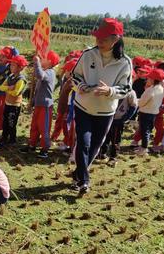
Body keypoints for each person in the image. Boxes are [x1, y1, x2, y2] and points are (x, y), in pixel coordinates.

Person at [71, 18, 132, 194]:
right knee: (84, 142)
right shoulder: (88, 54)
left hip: (105, 111)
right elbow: (75, 76)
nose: (99, 41)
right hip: (83, 106)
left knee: (95, 145)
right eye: (98, 37)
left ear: (116, 39)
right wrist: (80, 86)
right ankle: (84, 180)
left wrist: (110, 91)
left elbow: (127, 88)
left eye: (104, 39)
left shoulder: (125, 62)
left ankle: (78, 174)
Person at [20, 50, 60, 159]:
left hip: (46, 106)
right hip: (38, 104)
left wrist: (36, 62)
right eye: (41, 58)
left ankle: (45, 148)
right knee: (35, 126)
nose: (41, 59)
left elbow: (39, 75)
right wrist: (32, 102)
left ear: (50, 62)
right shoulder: (45, 71)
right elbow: (38, 89)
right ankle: (32, 144)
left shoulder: (50, 73)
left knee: (44, 127)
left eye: (43, 58)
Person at [101, 88, 138, 164]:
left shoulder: (130, 92)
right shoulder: (112, 87)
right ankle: (102, 153)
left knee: (115, 139)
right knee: (105, 136)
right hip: (107, 116)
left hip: (118, 118)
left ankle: (113, 157)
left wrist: (125, 117)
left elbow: (133, 106)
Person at [135, 68, 164, 156]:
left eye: (149, 78)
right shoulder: (161, 89)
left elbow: (142, 102)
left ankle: (144, 149)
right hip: (153, 113)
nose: (147, 79)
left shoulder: (150, 90)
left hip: (145, 112)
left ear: (153, 79)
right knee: (148, 130)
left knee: (144, 130)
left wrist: (136, 102)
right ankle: (143, 147)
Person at [0, 55, 28, 147]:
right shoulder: (10, 77)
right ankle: (4, 138)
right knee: (5, 122)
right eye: (11, 65)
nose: (11, 67)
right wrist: (9, 88)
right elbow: (1, 87)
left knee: (11, 123)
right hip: (7, 103)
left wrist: (8, 89)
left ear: (20, 68)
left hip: (15, 105)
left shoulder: (21, 80)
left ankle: (12, 140)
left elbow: (16, 93)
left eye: (13, 65)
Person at [51, 59, 78, 151]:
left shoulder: (72, 83)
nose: (64, 72)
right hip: (64, 107)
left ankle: (68, 144)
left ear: (71, 72)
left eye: (66, 70)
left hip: (69, 109)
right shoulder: (67, 80)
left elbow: (72, 97)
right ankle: (67, 142)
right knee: (65, 125)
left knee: (69, 127)